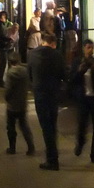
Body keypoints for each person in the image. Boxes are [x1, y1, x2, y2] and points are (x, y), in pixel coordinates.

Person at [28, 33, 65, 170]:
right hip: (54, 94)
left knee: (46, 126)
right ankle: (53, 153)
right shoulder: (57, 55)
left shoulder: (32, 54)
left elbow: (29, 75)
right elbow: (63, 75)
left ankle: (52, 158)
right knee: (52, 124)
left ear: (43, 41)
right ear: (53, 43)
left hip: (40, 94)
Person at [69, 39, 94, 165]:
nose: (91, 50)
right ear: (84, 48)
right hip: (83, 98)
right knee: (82, 124)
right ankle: (80, 143)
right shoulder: (77, 62)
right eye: (88, 47)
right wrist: (81, 70)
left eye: (92, 47)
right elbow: (72, 80)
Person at [4, 55, 35, 155]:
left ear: (10, 62)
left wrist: (6, 98)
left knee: (11, 127)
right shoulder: (25, 72)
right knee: (24, 126)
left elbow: (8, 90)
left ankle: (12, 148)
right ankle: (31, 147)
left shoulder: (10, 74)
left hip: (12, 105)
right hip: (22, 103)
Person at [0, 10, 13, 87]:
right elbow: (0, 36)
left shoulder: (2, 24)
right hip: (2, 46)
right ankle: (0, 80)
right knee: (3, 62)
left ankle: (2, 79)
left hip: (3, 45)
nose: (4, 18)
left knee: (4, 62)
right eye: (3, 16)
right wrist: (8, 39)